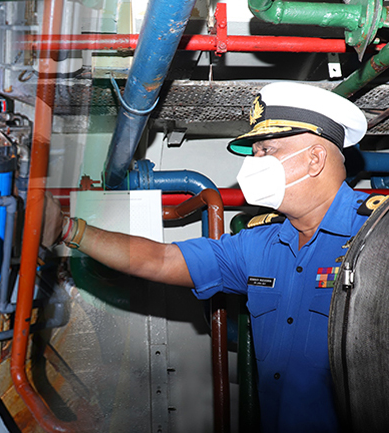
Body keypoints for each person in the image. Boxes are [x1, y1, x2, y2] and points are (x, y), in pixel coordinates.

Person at [42, 82, 372, 433]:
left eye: (265, 150)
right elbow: (161, 260)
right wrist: (68, 229)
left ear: (315, 159)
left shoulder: (377, 237)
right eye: (253, 152)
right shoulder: (259, 244)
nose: (253, 163)